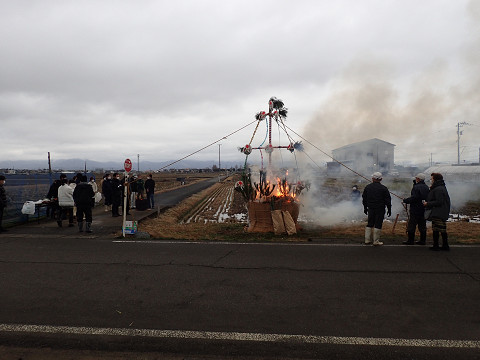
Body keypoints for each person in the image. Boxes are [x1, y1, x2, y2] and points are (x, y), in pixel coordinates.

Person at [362, 172, 392, 246]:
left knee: (370, 223)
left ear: (372, 178)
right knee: (378, 223)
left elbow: (364, 199)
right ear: (381, 179)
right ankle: (376, 241)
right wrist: (389, 209)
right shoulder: (384, 188)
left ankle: (367, 240)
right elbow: (388, 200)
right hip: (380, 208)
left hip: (371, 208)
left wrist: (365, 208)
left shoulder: (368, 187)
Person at [424, 173, 451, 251]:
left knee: (439, 229)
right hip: (439, 211)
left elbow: (439, 201)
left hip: (438, 212)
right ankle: (441, 245)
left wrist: (428, 203)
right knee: (437, 228)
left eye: (432, 179)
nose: (431, 180)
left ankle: (440, 245)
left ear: (435, 179)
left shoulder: (439, 189)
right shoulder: (440, 187)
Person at [402, 173, 429, 245]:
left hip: (415, 209)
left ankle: (410, 240)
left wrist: (406, 200)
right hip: (423, 208)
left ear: (418, 179)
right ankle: (423, 240)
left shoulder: (416, 187)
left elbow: (414, 198)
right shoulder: (426, 187)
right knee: (422, 225)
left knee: (412, 225)